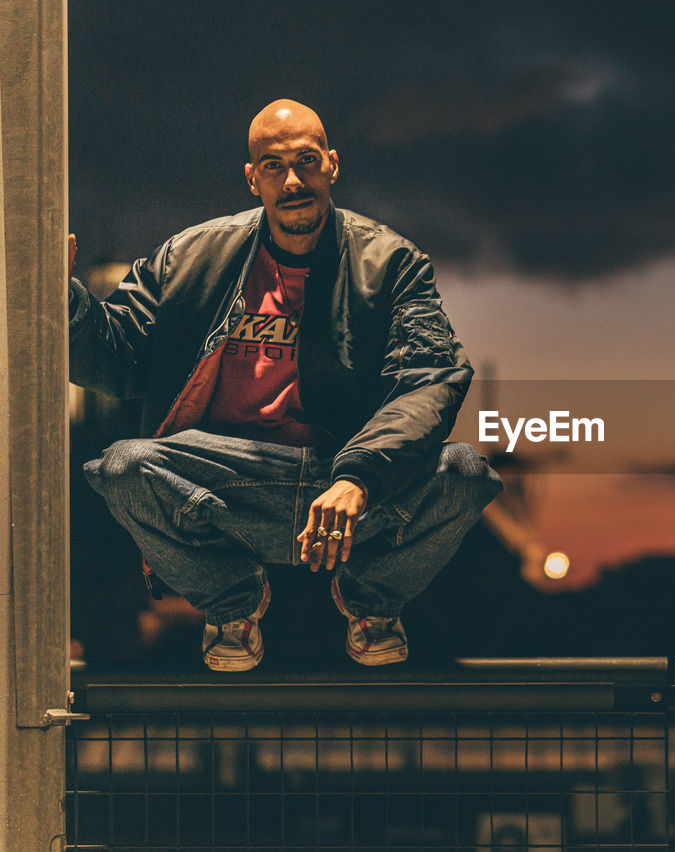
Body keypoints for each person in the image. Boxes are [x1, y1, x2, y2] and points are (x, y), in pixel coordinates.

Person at [69, 99, 502, 671]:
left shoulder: (390, 261)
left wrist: (360, 475)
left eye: (306, 160)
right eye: (274, 166)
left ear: (332, 164)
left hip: (345, 482)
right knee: (122, 467)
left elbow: (430, 378)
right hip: (233, 481)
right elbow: (117, 356)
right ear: (252, 179)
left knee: (467, 473)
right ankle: (232, 604)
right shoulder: (191, 256)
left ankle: (371, 601)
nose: (293, 180)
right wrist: (64, 303)